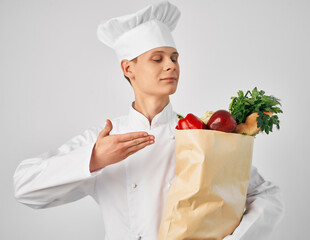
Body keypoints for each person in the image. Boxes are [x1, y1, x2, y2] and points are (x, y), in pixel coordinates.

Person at [13, 1, 284, 240]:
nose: (171, 66)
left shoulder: (201, 135)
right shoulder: (104, 140)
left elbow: (266, 196)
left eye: (174, 58)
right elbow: (25, 187)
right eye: (158, 58)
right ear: (128, 68)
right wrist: (95, 158)